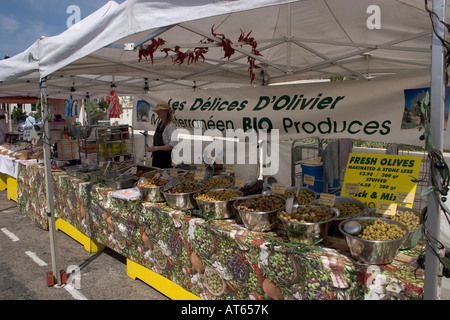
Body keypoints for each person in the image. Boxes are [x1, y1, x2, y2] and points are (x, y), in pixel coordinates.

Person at [146, 102, 177, 168]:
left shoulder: (171, 125)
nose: (158, 113)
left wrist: (155, 148)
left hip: (166, 157)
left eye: (160, 110)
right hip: (157, 156)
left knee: (164, 176)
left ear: (166, 111)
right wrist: (152, 148)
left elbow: (171, 145)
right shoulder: (160, 124)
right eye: (157, 111)